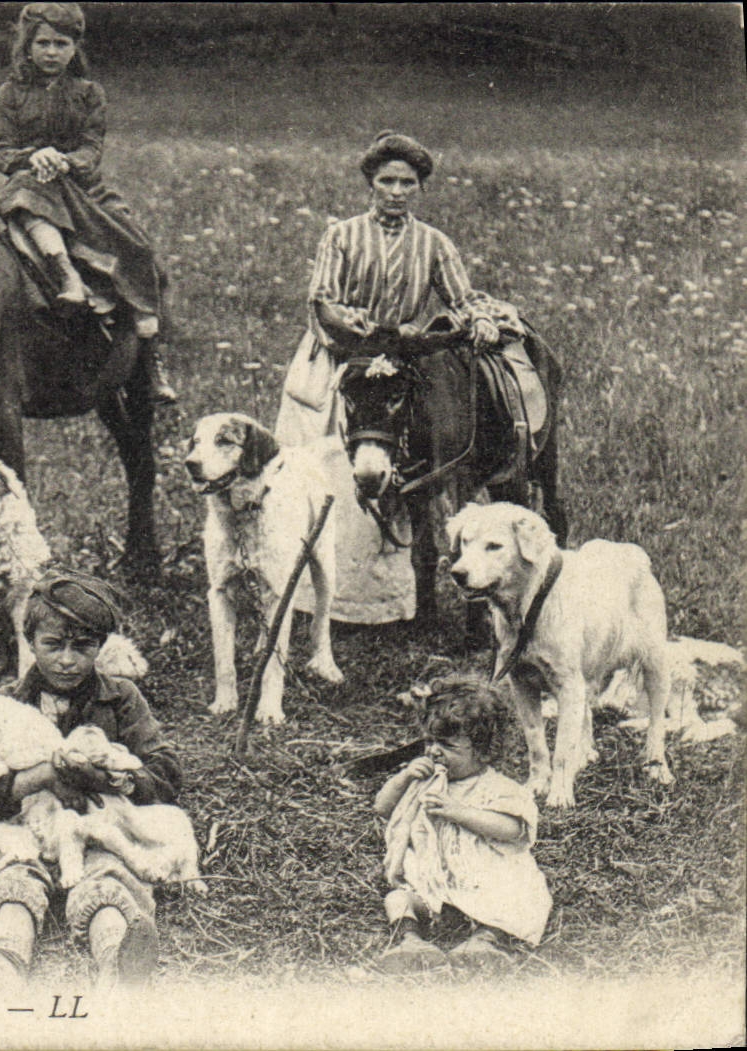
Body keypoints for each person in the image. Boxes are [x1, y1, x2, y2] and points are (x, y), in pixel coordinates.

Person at [274, 130, 541, 623]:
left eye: (407, 183)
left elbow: (462, 298)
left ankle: (390, 600)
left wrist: (478, 318)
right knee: (323, 463)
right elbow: (321, 298)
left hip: (401, 358)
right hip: (343, 356)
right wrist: (343, 320)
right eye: (386, 181)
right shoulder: (342, 235)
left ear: (420, 188)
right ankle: (318, 597)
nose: (396, 192)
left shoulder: (434, 243)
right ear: (370, 184)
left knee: (408, 458)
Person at [0, 571, 183, 990]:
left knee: (106, 874)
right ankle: (4, 965)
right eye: (52, 645)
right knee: (13, 874)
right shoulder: (6, 702)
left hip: (95, 828)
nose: (67, 660)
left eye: (82, 646)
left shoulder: (120, 699)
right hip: (23, 826)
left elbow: (166, 771)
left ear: (101, 646)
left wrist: (103, 778)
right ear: (30, 643)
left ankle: (117, 965)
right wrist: (43, 774)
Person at [0, 2, 177, 405]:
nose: (51, 52)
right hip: (32, 185)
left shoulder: (90, 94)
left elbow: (92, 150)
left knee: (139, 249)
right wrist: (31, 156)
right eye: (42, 43)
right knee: (23, 202)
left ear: (75, 48)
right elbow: (2, 152)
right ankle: (66, 277)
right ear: (28, 46)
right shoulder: (11, 93)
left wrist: (64, 159)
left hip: (83, 191)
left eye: (61, 43)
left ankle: (149, 357)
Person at [371, 675, 551, 974]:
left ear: (482, 750)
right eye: (429, 741)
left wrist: (458, 812)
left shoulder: (497, 788)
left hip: (484, 879)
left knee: (520, 898)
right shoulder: (425, 782)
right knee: (399, 898)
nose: (433, 752)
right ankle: (410, 941)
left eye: (447, 745)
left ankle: (485, 941)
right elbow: (382, 808)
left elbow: (513, 830)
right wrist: (403, 778)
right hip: (434, 881)